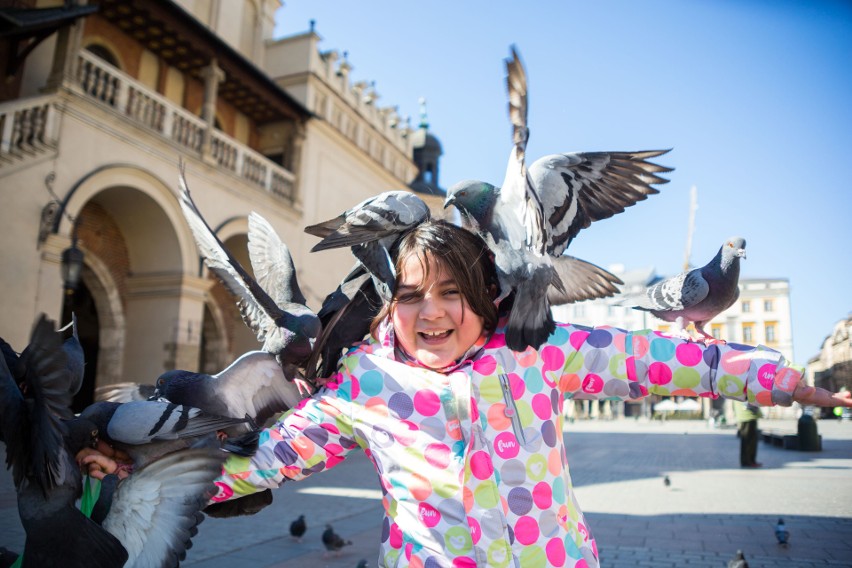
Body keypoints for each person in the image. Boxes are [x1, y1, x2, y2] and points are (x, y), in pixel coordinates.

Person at [80, 219, 852, 568]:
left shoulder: (537, 354)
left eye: (451, 291)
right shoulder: (366, 387)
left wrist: (790, 382)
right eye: (412, 295)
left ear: (482, 296)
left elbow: (665, 362)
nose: (434, 311)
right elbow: (263, 460)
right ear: (390, 306)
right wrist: (138, 469)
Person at [734, 401, 762, 468]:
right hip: (748, 415)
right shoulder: (743, 391)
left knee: (748, 440)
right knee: (748, 441)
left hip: (747, 415)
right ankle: (748, 461)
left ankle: (749, 461)